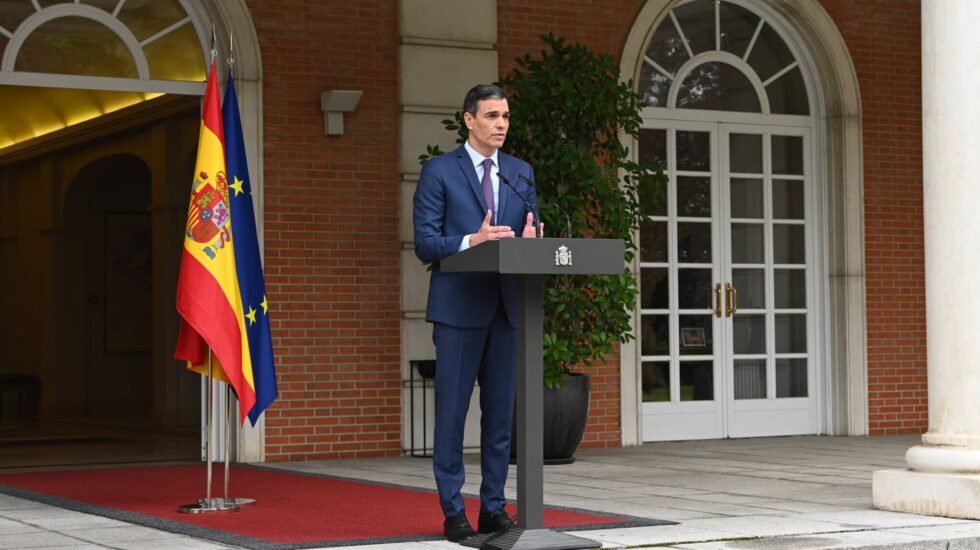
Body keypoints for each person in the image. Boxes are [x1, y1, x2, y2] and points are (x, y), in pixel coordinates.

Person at [413, 84, 542, 542]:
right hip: (458, 309)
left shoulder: (520, 173)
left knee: (499, 417)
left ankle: (493, 508)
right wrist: (473, 240)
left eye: (505, 115)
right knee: (451, 415)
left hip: (507, 309)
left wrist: (532, 244)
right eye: (491, 116)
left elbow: (530, 228)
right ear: (469, 120)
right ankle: (453, 512)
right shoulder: (439, 172)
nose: (501, 124)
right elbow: (426, 244)